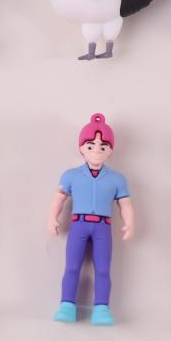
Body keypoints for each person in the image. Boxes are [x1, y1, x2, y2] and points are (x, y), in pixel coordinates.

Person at [47, 113, 135, 325]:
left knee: (103, 269)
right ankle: (67, 305)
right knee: (72, 266)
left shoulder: (117, 179)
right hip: (78, 225)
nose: (96, 150)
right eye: (91, 145)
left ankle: (102, 307)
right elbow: (58, 198)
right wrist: (52, 218)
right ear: (81, 148)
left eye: (103, 146)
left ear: (110, 150)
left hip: (103, 228)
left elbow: (125, 204)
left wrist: (130, 223)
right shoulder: (71, 175)